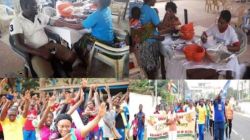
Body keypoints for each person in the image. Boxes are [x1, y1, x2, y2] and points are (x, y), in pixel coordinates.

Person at [9, 0, 82, 77]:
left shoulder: (39, 15)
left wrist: (71, 24)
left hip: (49, 46)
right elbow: (18, 44)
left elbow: (55, 22)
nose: (38, 7)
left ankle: (63, 71)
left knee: (72, 57)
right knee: (47, 76)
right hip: (34, 52)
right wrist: (40, 52)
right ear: (26, 7)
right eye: (35, 6)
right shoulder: (16, 22)